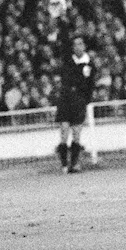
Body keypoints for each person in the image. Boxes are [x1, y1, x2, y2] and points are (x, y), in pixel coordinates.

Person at [55, 29, 97, 173]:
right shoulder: (68, 60)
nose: (78, 47)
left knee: (77, 132)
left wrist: (86, 100)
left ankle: (75, 163)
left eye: (80, 44)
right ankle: (63, 163)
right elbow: (63, 42)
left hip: (79, 100)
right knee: (64, 129)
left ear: (84, 46)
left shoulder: (89, 64)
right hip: (66, 98)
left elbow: (91, 84)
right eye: (75, 45)